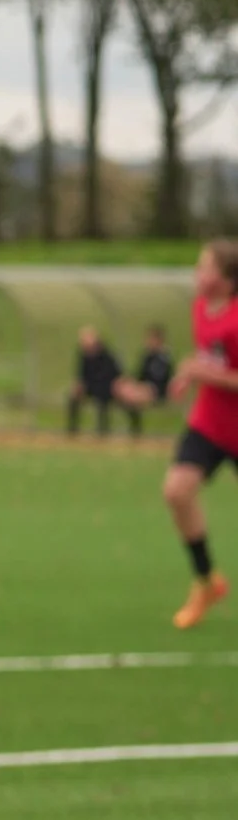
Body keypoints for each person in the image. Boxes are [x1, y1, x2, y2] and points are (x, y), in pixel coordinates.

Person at [162, 238, 238, 628]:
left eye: (205, 267)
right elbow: (206, 360)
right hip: (209, 424)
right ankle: (207, 580)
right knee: (176, 491)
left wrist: (204, 373)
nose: (197, 273)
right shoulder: (200, 310)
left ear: (226, 280)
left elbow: (219, 371)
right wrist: (185, 376)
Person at [66, 326, 125, 437]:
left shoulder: (107, 355)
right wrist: (78, 386)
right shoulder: (84, 356)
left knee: (103, 398)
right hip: (90, 386)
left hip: (106, 387)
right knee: (73, 397)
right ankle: (72, 430)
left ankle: (102, 431)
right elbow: (81, 375)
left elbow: (117, 374)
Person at [117, 325, 174, 431]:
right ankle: (135, 425)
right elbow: (140, 375)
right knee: (122, 388)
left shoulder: (163, 357)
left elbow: (160, 379)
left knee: (132, 395)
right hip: (144, 387)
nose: (149, 341)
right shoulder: (147, 356)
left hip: (157, 390)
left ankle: (136, 427)